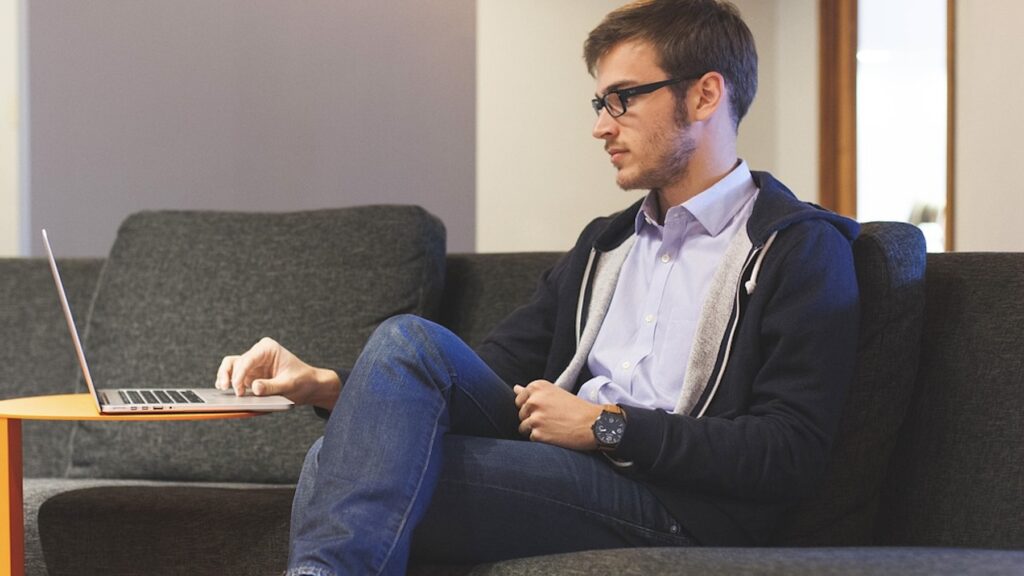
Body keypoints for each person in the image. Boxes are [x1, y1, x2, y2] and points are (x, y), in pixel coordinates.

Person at [215, 1, 860, 574]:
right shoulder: (606, 245)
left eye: (623, 98)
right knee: (406, 343)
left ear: (704, 95)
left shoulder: (796, 248)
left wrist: (606, 427)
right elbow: (486, 373)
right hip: (570, 470)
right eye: (599, 103)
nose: (601, 126)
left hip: (679, 505)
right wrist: (328, 385)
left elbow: (788, 451)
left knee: (340, 466)